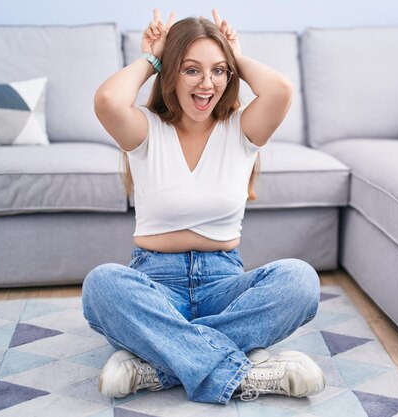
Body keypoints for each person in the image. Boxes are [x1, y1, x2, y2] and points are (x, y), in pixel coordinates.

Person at [81, 8, 325, 405]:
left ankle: (160, 364)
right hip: (155, 282)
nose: (207, 83)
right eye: (191, 69)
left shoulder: (242, 130)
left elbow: (279, 89)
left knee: (300, 280)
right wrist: (152, 58)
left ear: (230, 75)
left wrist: (233, 53)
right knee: (102, 286)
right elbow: (108, 99)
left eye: (218, 71)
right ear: (171, 72)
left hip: (223, 283)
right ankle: (240, 370)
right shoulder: (146, 129)